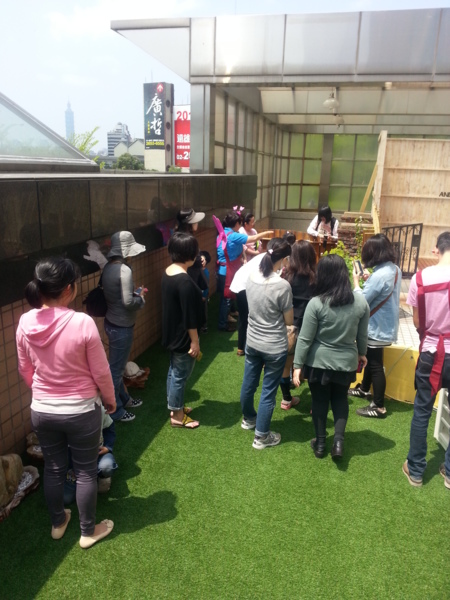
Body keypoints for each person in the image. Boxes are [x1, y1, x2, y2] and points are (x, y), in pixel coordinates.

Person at [16, 257, 115, 549]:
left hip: (42, 410)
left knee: (54, 468)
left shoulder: (24, 322)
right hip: (81, 410)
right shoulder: (82, 322)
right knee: (84, 471)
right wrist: (109, 400)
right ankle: (87, 531)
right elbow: (101, 371)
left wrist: (43, 394)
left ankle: (58, 523)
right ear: (69, 289)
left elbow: (24, 369)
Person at [293, 255, 369, 459]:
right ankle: (338, 443)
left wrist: (297, 365)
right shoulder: (360, 302)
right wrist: (362, 353)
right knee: (340, 400)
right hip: (346, 363)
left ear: (322, 275)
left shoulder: (316, 303)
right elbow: (363, 335)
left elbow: (305, 338)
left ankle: (320, 444)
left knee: (319, 402)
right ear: (344, 274)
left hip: (318, 363)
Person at [403, 232, 450, 488]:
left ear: (436, 249)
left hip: (431, 352)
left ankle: (416, 470)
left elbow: (418, 322)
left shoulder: (421, 278)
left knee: (422, 411)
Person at [240, 240, 293, 449]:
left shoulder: (251, 276)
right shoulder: (282, 285)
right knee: (268, 391)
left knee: (249, 383)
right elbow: (289, 320)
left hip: (252, 340)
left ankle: (248, 419)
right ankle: (261, 436)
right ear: (283, 259)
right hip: (274, 346)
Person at [349, 234, 401, 418]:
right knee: (371, 359)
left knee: (375, 364)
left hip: (376, 326)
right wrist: (370, 278)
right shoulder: (394, 269)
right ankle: (364, 389)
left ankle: (379, 406)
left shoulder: (379, 275)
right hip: (386, 325)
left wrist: (356, 282)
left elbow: (361, 301)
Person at [102, 231, 147, 423]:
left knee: (117, 367)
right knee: (116, 370)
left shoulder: (108, 267)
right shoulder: (125, 270)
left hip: (111, 322)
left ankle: (124, 399)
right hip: (122, 326)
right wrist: (141, 298)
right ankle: (115, 411)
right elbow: (128, 302)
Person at [162, 232, 205, 429]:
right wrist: (194, 341)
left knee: (174, 371)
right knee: (180, 374)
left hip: (172, 332)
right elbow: (189, 317)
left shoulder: (169, 271)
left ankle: (175, 406)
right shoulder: (184, 281)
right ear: (189, 254)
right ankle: (178, 415)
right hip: (183, 336)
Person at [216, 210, 273, 332]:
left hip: (222, 270)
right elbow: (254, 238)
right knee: (226, 299)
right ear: (236, 223)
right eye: (240, 223)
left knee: (226, 297)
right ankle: (222, 324)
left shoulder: (223, 233)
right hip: (228, 271)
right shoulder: (233, 236)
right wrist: (268, 233)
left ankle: (227, 317)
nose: (241, 225)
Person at [280, 240, 317, 409]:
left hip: (290, 326)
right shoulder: (316, 279)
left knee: (286, 366)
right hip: (312, 327)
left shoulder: (287, 278)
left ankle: (286, 399)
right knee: (313, 365)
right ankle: (316, 404)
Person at [230, 239, 281, 357]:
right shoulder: (269, 260)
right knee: (250, 316)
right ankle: (249, 347)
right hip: (244, 285)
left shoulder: (266, 256)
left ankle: (241, 348)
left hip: (240, 283)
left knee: (244, 317)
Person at [64, 406, 118, 503]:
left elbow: (109, 428)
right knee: (66, 498)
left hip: (98, 455)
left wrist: (107, 447)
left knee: (107, 466)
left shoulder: (99, 410)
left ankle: (102, 476)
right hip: (75, 464)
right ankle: (77, 479)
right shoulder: (65, 419)